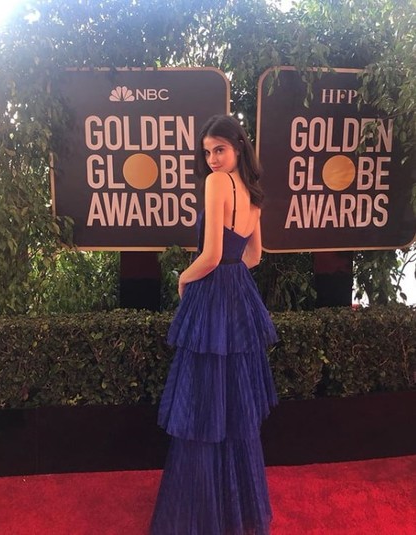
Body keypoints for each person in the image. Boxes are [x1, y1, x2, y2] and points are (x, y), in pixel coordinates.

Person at [149, 115, 279, 535]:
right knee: (234, 405)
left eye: (219, 149)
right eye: (207, 152)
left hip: (210, 294)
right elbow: (253, 256)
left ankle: (201, 512)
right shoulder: (253, 192)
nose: (212, 159)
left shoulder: (217, 183)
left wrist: (183, 279)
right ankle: (233, 508)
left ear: (238, 146)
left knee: (203, 402)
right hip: (237, 295)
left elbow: (209, 255)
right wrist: (231, 278)